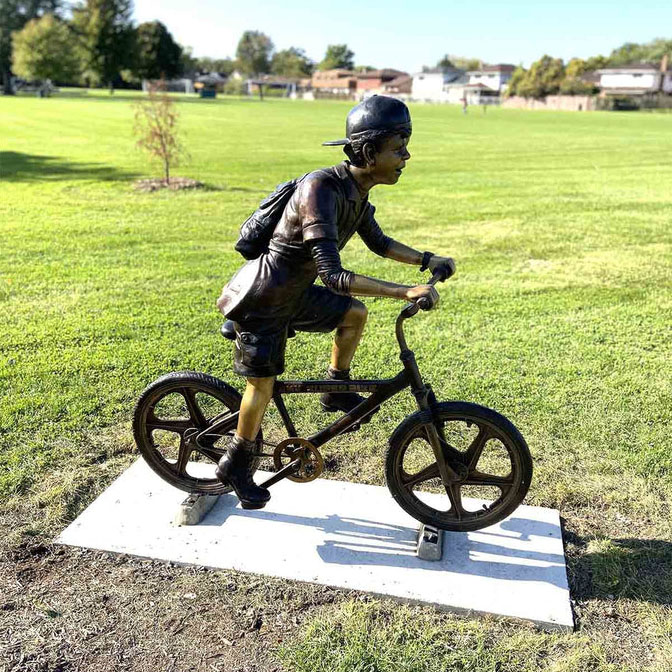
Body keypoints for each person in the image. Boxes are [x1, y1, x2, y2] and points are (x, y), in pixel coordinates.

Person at [215, 96, 456, 509]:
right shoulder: (320, 189)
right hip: (265, 299)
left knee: (354, 314)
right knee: (262, 382)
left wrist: (425, 260)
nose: (406, 156)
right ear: (367, 152)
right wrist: (403, 290)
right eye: (398, 148)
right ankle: (236, 464)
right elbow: (334, 276)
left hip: (295, 292)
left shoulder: (355, 192)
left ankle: (336, 389)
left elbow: (379, 243)